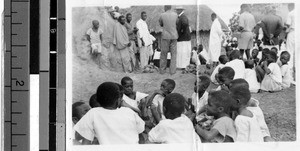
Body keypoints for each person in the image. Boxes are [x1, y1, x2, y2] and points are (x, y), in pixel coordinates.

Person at [74, 82, 145, 145]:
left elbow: (84, 141)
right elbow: (140, 131)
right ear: (118, 100)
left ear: (98, 100)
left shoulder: (93, 113)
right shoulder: (129, 112)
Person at [159, 5, 179, 75]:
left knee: (163, 54)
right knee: (173, 54)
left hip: (165, 36)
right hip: (174, 36)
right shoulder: (175, 15)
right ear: (170, 7)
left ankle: (162, 71)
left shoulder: (162, 15)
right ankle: (172, 71)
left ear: (165, 8)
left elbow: (161, 24)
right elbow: (177, 23)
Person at [285, 3, 295, 81]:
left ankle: (290, 76)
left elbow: (288, 25)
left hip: (292, 32)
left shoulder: (291, 13)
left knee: (290, 52)